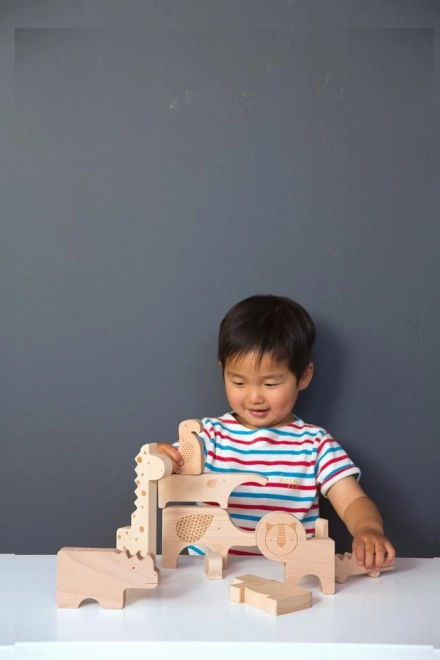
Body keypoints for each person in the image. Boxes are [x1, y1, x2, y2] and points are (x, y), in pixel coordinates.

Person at [158, 294, 395, 570]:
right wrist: (161, 457)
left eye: (270, 384)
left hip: (289, 572)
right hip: (210, 572)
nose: (254, 397)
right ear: (223, 371)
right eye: (238, 382)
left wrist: (368, 529)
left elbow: (353, 499)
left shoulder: (315, 444)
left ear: (304, 376)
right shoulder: (208, 436)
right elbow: (165, 469)